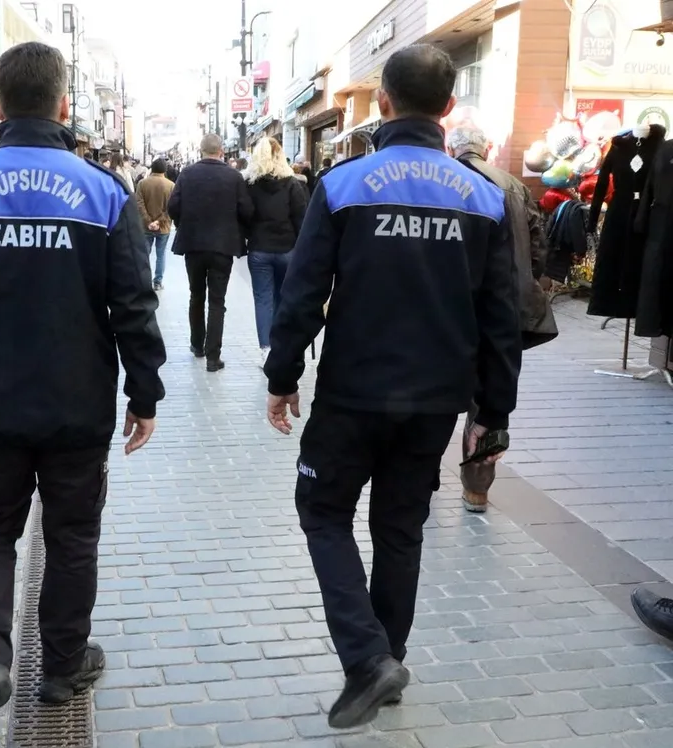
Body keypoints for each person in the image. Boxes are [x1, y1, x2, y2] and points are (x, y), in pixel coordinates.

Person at [0, 42, 166, 740]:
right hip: (77, 402)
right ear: (64, 105)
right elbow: (133, 305)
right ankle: (61, 666)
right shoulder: (104, 192)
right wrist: (144, 393)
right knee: (73, 535)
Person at [264, 43, 521, 730]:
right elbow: (501, 317)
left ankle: (367, 658)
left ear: (382, 103)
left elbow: (302, 294)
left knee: (323, 511)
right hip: (435, 400)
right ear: (448, 107)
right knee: (400, 528)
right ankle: (387, 660)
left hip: (353, 391)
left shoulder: (345, 185)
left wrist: (282, 376)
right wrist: (492, 413)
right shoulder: (484, 196)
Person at [448, 125, 558, 512]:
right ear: (487, 148)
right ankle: (476, 490)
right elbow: (538, 244)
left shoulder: (447, 182)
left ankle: (422, 475)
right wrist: (528, 280)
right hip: (507, 305)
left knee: (437, 391)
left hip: (455, 306)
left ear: (451, 148)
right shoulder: (514, 185)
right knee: (489, 394)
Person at [169, 133, 253, 372]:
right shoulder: (234, 176)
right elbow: (246, 210)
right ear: (221, 151)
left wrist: (183, 224)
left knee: (196, 295)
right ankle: (213, 357)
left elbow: (173, 205)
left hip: (193, 244)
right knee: (217, 301)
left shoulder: (187, 174)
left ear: (201, 151)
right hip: (223, 246)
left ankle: (197, 344)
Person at [242, 137, 307, 368]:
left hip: (259, 249)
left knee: (262, 299)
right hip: (287, 248)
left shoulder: (249, 184)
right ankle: (280, 346)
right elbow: (301, 218)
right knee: (282, 297)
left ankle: (266, 349)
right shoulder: (292, 184)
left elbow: (244, 214)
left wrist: (249, 234)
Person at [137, 158, 175, 291]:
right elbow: (171, 208)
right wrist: (159, 221)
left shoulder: (142, 183)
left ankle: (143, 281)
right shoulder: (171, 185)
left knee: (144, 254)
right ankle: (157, 282)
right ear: (165, 170)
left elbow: (139, 204)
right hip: (163, 227)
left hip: (145, 226)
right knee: (161, 255)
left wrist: (149, 221)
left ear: (152, 168)